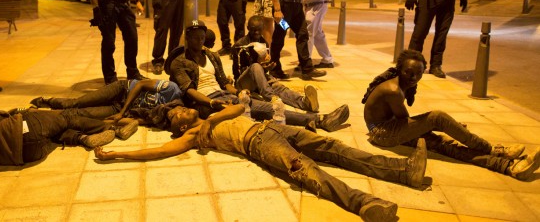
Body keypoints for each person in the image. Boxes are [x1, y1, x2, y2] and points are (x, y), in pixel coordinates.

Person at [95, 103, 430, 222]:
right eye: (177, 113)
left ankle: (402, 170)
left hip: (271, 127)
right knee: (309, 172)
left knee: (331, 145)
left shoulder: (210, 116)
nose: (182, 109)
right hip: (259, 142)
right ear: (180, 125)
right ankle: (365, 204)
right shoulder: (192, 135)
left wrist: (212, 120)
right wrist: (119, 153)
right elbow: (159, 152)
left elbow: (238, 109)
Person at [362, 49, 540, 181]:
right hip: (382, 134)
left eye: (418, 73)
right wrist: (445, 127)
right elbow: (404, 121)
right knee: (437, 118)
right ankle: (491, 149)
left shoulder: (399, 84)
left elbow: (406, 122)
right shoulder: (394, 90)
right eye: (409, 72)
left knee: (444, 145)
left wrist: (450, 129)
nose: (414, 77)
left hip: (390, 129)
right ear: (399, 69)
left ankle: (509, 167)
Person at [167, 21, 346, 131]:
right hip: (206, 101)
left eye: (202, 38)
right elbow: (189, 91)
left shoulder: (211, 56)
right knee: (267, 109)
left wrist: (237, 93)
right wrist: (213, 103)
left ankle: (304, 110)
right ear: (187, 39)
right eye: (195, 38)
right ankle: (320, 120)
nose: (199, 42)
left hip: (225, 94)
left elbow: (223, 82)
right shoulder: (180, 62)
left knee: (268, 99)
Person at [0, 106, 137, 171]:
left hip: (26, 155)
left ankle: (81, 139)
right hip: (26, 130)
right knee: (67, 116)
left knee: (57, 134)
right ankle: (113, 126)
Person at [232, 16, 349, 122]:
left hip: (259, 80)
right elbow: (239, 73)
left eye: (259, 29)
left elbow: (262, 68)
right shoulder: (241, 45)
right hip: (244, 83)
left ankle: (304, 102)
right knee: (257, 67)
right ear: (247, 28)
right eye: (253, 30)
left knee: (278, 87)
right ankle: (271, 97)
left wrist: (267, 67)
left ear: (263, 28)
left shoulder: (262, 42)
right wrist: (258, 66)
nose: (256, 32)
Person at [29, 78, 183, 125]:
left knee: (81, 113)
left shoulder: (168, 116)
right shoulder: (172, 89)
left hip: (119, 109)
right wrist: (123, 112)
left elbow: (142, 120)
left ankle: (38, 115)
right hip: (123, 89)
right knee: (76, 103)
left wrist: (119, 119)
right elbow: (142, 84)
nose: (174, 115)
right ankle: (48, 101)